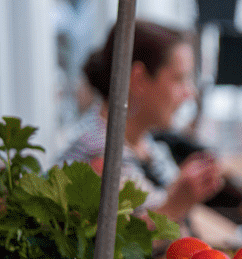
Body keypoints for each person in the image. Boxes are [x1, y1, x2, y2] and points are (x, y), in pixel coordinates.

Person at [62, 20, 223, 227]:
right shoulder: (99, 158)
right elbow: (113, 250)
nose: (190, 93)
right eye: (179, 79)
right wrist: (174, 206)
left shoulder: (144, 143)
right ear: (138, 79)